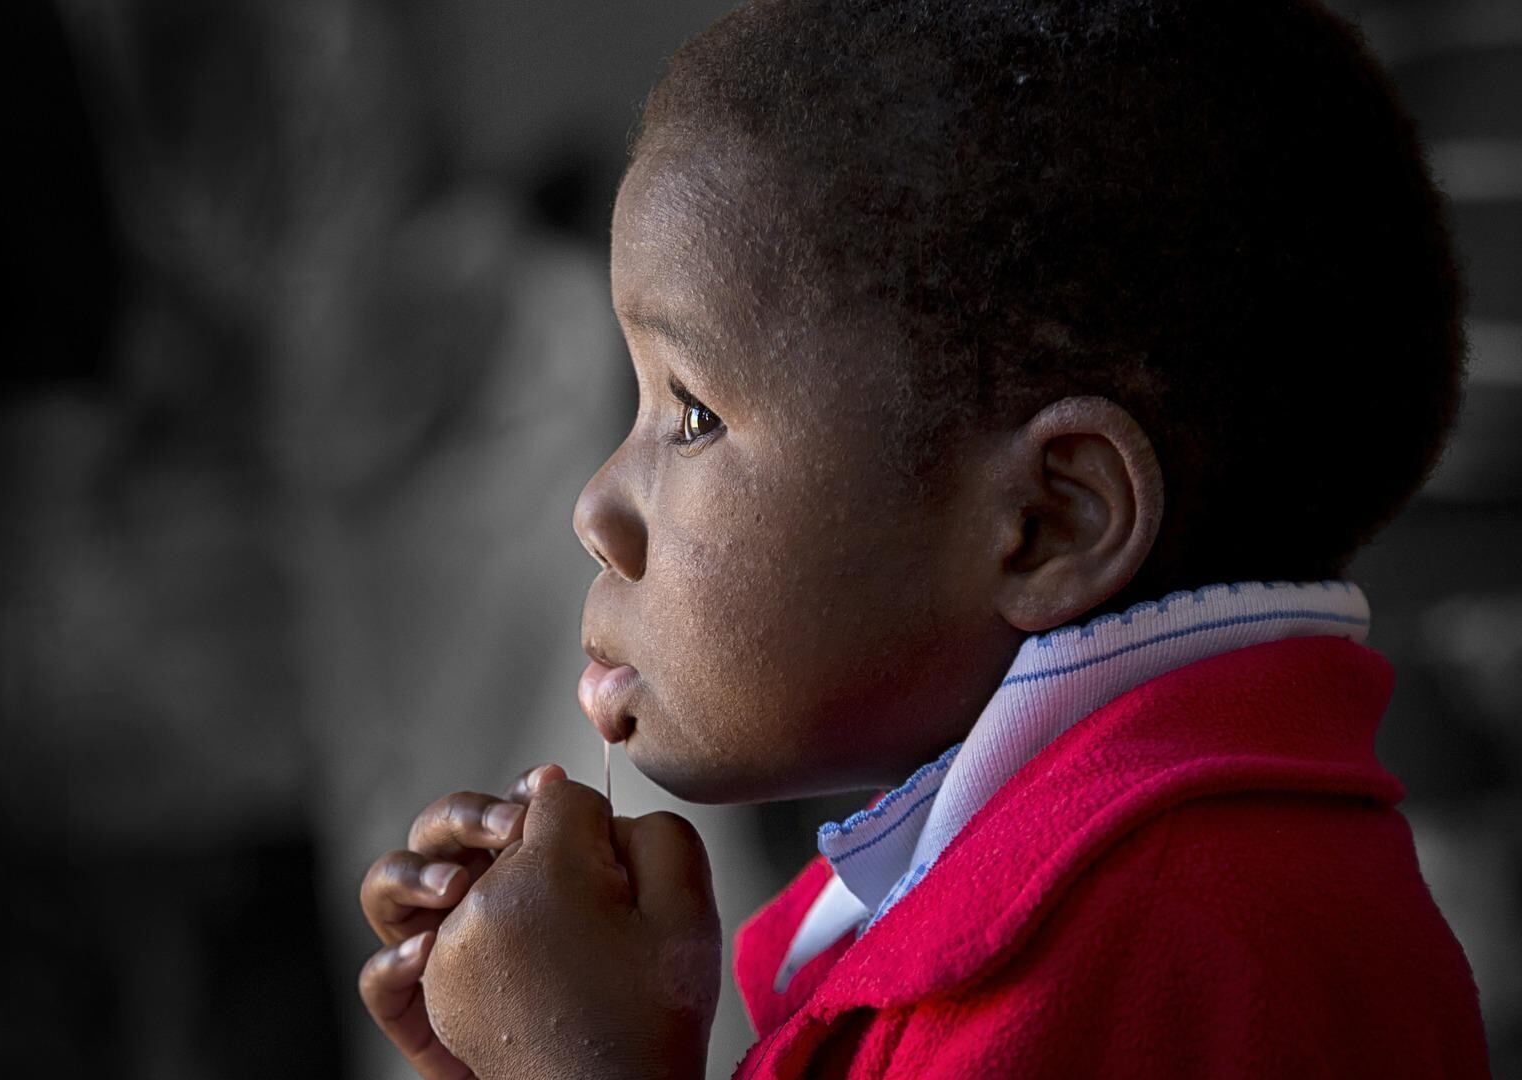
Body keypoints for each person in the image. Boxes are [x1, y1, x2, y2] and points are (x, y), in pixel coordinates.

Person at [354, 0, 1492, 1075]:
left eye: (692, 414)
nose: (594, 507)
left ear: (1047, 522)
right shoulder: (1094, 890)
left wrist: (573, 1061)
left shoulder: (1160, 950)